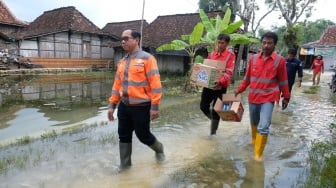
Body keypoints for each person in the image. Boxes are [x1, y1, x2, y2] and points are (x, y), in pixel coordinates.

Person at [107, 29, 165, 171]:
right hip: (124, 106)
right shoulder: (121, 62)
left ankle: (159, 149)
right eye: (122, 39)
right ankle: (125, 166)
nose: (123, 41)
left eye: (126, 38)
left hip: (142, 106)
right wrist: (112, 105)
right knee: (123, 135)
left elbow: (156, 85)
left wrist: (155, 107)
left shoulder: (148, 59)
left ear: (136, 40)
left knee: (143, 135)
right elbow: (116, 86)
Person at [234, 31, 290, 161]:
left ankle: (258, 156)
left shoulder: (279, 61)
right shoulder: (253, 59)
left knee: (263, 125)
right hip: (253, 96)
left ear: (274, 44)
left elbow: (283, 80)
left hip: (269, 98)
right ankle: (254, 140)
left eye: (269, 43)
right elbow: (247, 78)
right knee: (254, 122)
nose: (266, 46)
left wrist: (286, 96)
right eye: (264, 42)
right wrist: (239, 90)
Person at [200, 33, 236, 135]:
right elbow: (206, 68)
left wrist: (220, 81)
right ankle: (214, 121)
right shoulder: (212, 54)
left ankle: (213, 133)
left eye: (222, 43)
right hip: (209, 85)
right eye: (219, 42)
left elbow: (229, 72)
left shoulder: (230, 55)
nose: (220, 45)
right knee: (203, 106)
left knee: (216, 110)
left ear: (227, 44)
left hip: (221, 87)